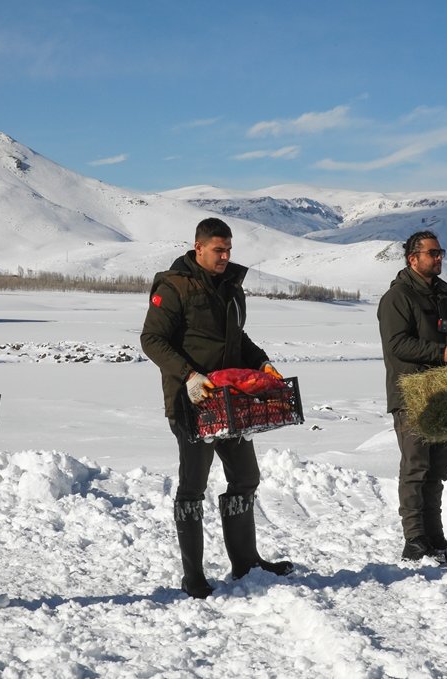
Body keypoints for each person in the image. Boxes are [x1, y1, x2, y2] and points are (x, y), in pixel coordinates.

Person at [140, 217, 294, 598]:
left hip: (229, 402)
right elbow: (151, 340)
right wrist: (189, 375)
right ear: (199, 248)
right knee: (192, 487)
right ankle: (193, 575)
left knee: (245, 477)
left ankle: (246, 561)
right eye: (218, 250)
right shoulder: (174, 286)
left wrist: (261, 362)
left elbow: (236, 337)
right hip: (191, 402)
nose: (225, 256)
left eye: (228, 250)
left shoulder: (229, 286)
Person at [377, 230, 447, 566]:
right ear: (414, 259)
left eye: (441, 253)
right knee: (416, 468)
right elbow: (397, 344)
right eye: (433, 253)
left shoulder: (444, 292)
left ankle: (437, 540)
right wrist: (442, 352)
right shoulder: (397, 297)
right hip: (412, 395)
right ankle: (415, 541)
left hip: (444, 396)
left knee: (438, 469)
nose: (439, 258)